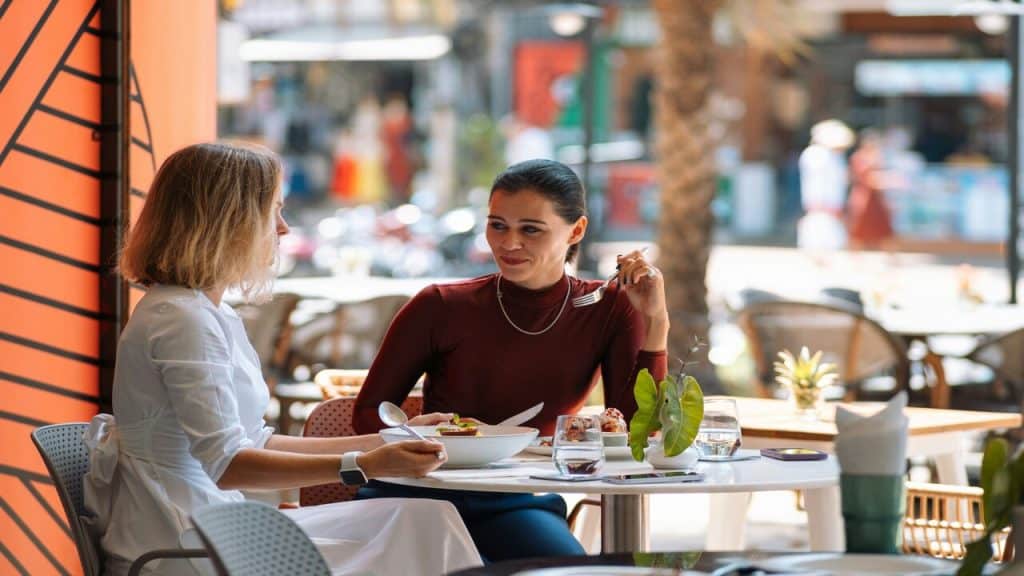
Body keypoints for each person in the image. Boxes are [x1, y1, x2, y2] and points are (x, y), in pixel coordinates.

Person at [82, 142, 482, 576]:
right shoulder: (181, 319)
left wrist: (386, 441)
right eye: (273, 211)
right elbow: (228, 466)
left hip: (217, 525)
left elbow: (253, 441)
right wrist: (364, 465)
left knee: (428, 520)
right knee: (422, 536)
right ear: (229, 221)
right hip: (182, 545)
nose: (284, 228)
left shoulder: (205, 311)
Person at [353, 158, 669, 561]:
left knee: (570, 571)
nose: (508, 243)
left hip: (516, 502)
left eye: (530, 229)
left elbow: (636, 430)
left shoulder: (608, 308)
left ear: (576, 230)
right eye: (498, 225)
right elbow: (368, 413)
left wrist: (656, 321)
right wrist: (414, 436)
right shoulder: (439, 305)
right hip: (423, 491)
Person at [797, 119, 854, 256]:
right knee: (819, 232)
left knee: (831, 234)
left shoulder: (835, 156)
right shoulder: (815, 154)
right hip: (820, 201)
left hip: (832, 201)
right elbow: (817, 181)